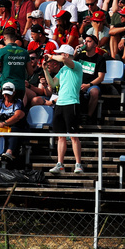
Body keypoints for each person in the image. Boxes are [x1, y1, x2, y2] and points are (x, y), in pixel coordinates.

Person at [45, 44, 86, 175]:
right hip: (60, 104)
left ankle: (78, 164)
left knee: (74, 136)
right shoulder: (62, 70)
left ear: (66, 55)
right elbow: (52, 84)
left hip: (72, 103)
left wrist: (51, 56)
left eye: (60, 54)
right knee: (61, 137)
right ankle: (60, 164)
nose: (57, 57)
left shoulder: (76, 66)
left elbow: (63, 60)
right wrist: (45, 70)